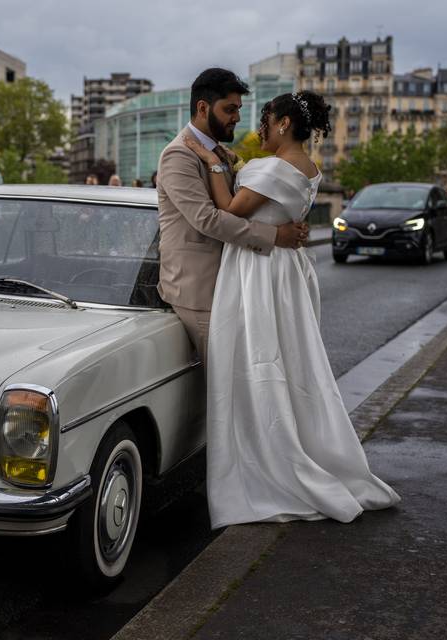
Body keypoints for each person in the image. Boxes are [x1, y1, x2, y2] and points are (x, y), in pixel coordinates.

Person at [181, 88, 400, 528]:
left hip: (259, 273)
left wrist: (210, 166)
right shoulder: (307, 167)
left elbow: (228, 209)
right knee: (291, 361)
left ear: (283, 123)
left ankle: (268, 461)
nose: (257, 129)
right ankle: (300, 445)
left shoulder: (274, 167)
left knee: (255, 361)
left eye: (263, 121)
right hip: (288, 273)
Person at [156, 67, 307, 368]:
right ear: (202, 107)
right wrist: (276, 235)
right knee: (219, 389)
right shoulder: (178, 156)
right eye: (230, 109)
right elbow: (207, 220)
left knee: (239, 384)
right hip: (199, 294)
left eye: (238, 109)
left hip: (231, 286)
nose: (237, 117)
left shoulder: (221, 153)